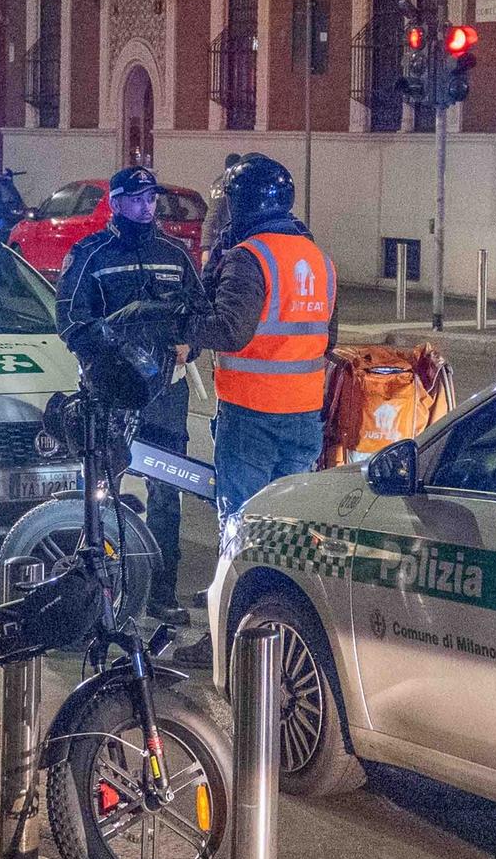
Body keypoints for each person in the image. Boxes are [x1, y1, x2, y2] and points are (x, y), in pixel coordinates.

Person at [54, 165, 201, 618]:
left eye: (151, 198)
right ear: (115, 204)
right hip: (109, 393)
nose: (146, 206)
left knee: (165, 495)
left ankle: (161, 596)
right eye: (136, 199)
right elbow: (70, 322)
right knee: (100, 490)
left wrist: (188, 344)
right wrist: (114, 348)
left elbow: (199, 315)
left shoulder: (175, 254)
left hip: (165, 395)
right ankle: (95, 592)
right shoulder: (90, 254)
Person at [192, 150, 335, 529]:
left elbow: (228, 331)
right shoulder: (319, 257)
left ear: (239, 205)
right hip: (305, 414)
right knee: (289, 526)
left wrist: (177, 326)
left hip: (251, 413)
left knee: (243, 521)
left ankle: (236, 589)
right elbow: (328, 339)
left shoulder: (248, 256)